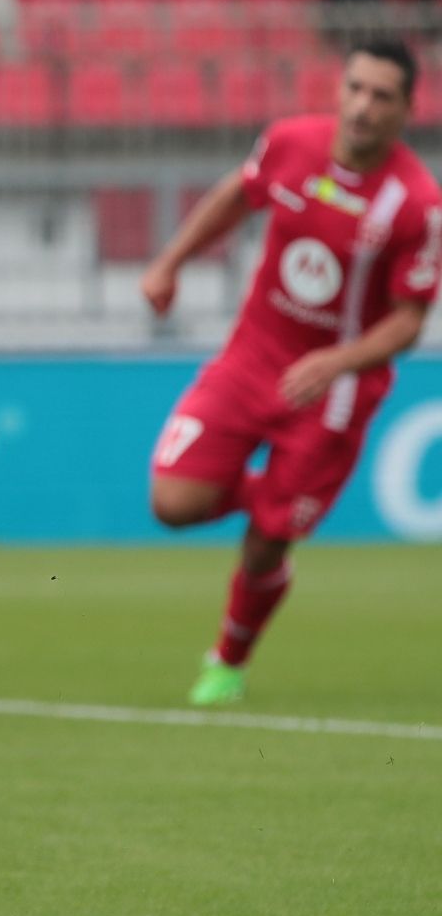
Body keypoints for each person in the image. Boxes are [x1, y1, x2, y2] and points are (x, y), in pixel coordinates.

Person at [141, 41, 441, 706]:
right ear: (340, 88)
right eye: (356, 88)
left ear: (407, 108)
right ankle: (274, 500)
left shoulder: (416, 204)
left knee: (267, 547)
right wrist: (170, 262)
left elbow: (409, 319)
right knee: (173, 503)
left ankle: (226, 661)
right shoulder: (290, 144)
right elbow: (234, 197)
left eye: (381, 96)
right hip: (252, 357)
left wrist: (336, 360)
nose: (363, 107)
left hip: (334, 390)